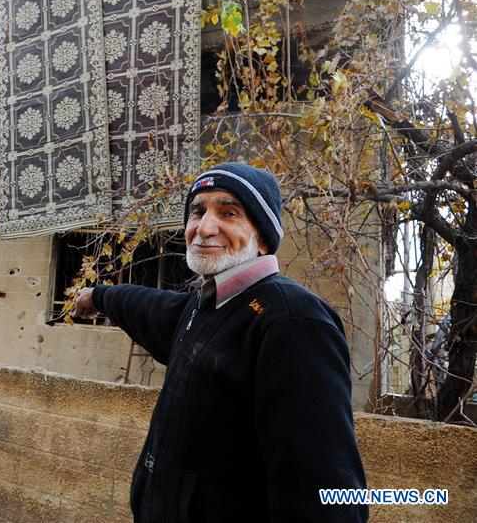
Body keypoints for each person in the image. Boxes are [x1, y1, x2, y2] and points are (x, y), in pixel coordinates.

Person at [73, 162, 367, 522]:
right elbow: (146, 307)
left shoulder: (292, 322)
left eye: (228, 212)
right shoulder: (204, 308)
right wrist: (98, 296)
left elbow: (325, 496)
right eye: (197, 212)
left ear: (262, 238)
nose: (205, 227)